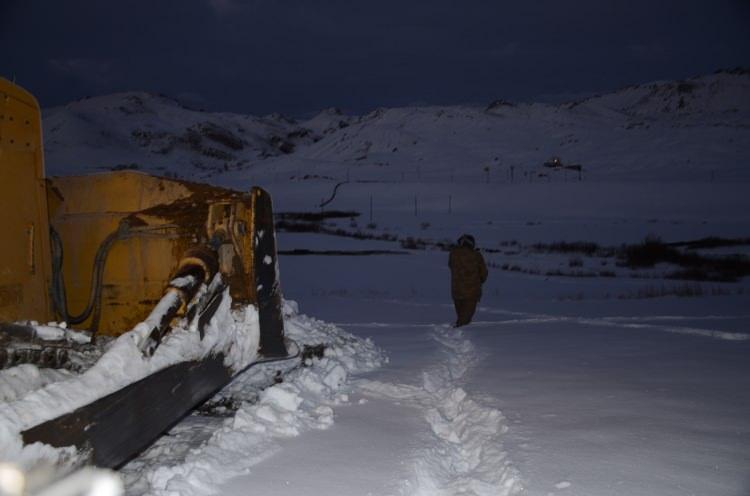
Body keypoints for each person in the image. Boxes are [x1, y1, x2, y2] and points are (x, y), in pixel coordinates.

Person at [448, 234, 487, 327]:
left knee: (461, 317)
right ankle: (457, 336)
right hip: (472, 292)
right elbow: (483, 273)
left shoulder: (453, 254)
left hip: (456, 291)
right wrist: (480, 280)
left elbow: (451, 266)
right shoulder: (476, 255)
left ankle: (456, 335)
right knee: (464, 320)